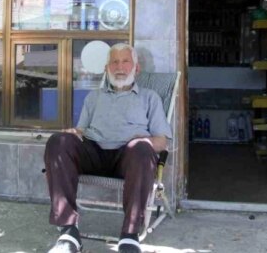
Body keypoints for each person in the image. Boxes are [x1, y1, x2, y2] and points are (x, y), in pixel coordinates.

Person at [44, 43, 172, 253]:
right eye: (114, 62)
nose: (119, 67)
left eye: (125, 61)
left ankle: (129, 236)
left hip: (128, 157)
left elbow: (162, 141)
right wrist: (73, 134)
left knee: (142, 148)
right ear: (106, 68)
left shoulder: (150, 98)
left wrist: (145, 142)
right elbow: (82, 132)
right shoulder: (94, 97)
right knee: (58, 141)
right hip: (93, 152)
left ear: (136, 69)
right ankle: (68, 233)